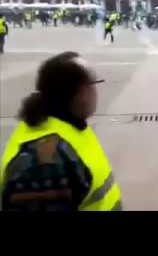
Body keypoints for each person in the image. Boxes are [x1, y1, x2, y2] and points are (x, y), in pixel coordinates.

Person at [0, 51, 122, 211]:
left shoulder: (70, 127)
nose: (96, 92)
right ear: (77, 93)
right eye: (92, 84)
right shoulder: (45, 160)